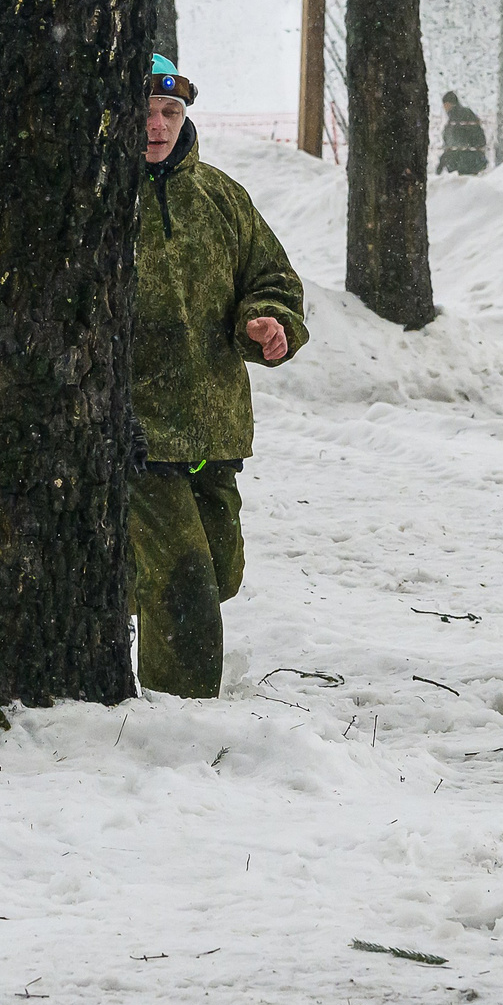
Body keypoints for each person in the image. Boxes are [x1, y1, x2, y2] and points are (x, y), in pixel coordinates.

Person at [130, 54, 309, 698]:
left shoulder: (222, 198)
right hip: (136, 433)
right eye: (144, 112)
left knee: (221, 571)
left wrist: (265, 320)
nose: (157, 125)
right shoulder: (93, 202)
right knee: (187, 588)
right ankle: (180, 723)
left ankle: (104, 586)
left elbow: (272, 279)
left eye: (169, 112)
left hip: (214, 430)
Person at [438, 91, 490, 175]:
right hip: (472, 160)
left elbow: (453, 143)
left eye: (445, 105)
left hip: (463, 161)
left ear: (449, 104)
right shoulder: (464, 115)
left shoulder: (456, 119)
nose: (444, 108)